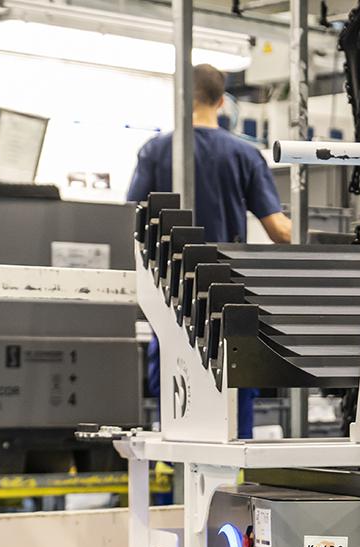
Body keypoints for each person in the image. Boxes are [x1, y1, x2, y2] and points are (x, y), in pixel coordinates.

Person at [128, 64, 292, 438]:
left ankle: (177, 467)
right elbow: (280, 232)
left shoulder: (155, 151)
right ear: (221, 102)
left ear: (181, 98)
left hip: (172, 294)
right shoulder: (244, 155)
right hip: (228, 296)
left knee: (174, 394)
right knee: (235, 391)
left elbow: (132, 221)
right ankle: (234, 468)